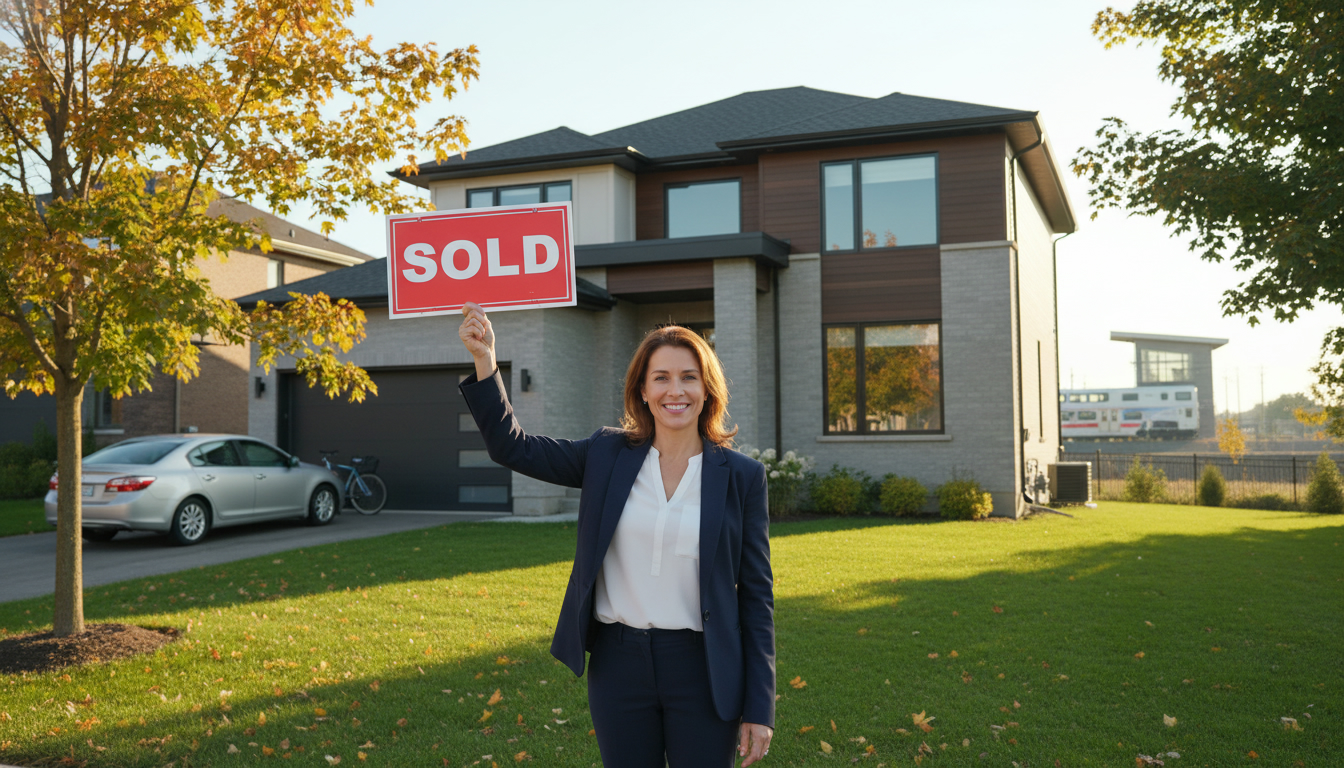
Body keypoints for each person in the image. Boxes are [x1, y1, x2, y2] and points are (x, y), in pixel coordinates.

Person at [457, 302, 775, 767]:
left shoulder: (742, 476)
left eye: (688, 377)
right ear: (642, 390)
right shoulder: (608, 454)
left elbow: (756, 598)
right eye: (661, 377)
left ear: (707, 389)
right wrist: (485, 359)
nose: (675, 390)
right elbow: (513, 447)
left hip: (704, 667)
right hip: (618, 664)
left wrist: (759, 705)